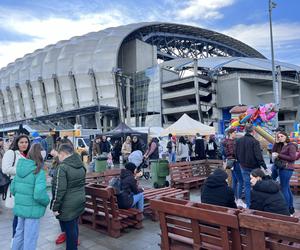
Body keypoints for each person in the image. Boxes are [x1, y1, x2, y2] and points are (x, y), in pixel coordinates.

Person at [11, 143, 50, 250]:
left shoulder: (20, 168)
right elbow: (39, 195)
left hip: (20, 208)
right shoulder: (39, 172)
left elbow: (13, 189)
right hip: (32, 210)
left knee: (19, 233)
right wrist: (47, 201)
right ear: (41, 155)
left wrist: (22, 198)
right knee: (30, 237)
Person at [51, 144, 86, 250]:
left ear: (63, 154)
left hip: (67, 204)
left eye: (59, 155)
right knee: (74, 227)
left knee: (70, 231)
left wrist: (54, 207)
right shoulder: (81, 164)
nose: (58, 158)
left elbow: (58, 190)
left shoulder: (62, 168)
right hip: (79, 200)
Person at [2, 135, 30, 242]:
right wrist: (23, 170)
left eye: (26, 142)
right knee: (18, 215)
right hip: (17, 187)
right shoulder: (11, 153)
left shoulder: (27, 154)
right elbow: (5, 169)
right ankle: (15, 241)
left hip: (26, 188)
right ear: (16, 143)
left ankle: (20, 240)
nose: (24, 144)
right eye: (21, 142)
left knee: (23, 216)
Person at [235, 124, 268, 208]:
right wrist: (264, 167)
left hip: (243, 166)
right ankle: (256, 204)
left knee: (247, 186)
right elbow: (258, 156)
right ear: (253, 131)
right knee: (257, 185)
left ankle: (249, 205)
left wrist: (240, 162)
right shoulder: (255, 141)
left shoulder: (239, 140)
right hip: (254, 167)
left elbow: (236, 154)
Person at [272, 131, 297, 215]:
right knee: (287, 188)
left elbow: (293, 158)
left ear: (286, 136)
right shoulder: (282, 145)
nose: (280, 138)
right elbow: (273, 151)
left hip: (287, 169)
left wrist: (279, 155)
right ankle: (290, 208)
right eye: (279, 136)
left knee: (284, 188)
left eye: (282, 136)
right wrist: (276, 142)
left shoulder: (291, 146)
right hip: (283, 168)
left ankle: (286, 209)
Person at [223, 129, 243, 201]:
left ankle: (234, 197)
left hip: (230, 163)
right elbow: (233, 152)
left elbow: (225, 153)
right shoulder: (231, 142)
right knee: (241, 181)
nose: (236, 134)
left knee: (235, 180)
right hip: (235, 161)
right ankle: (239, 198)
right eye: (234, 132)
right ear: (230, 133)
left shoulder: (225, 141)